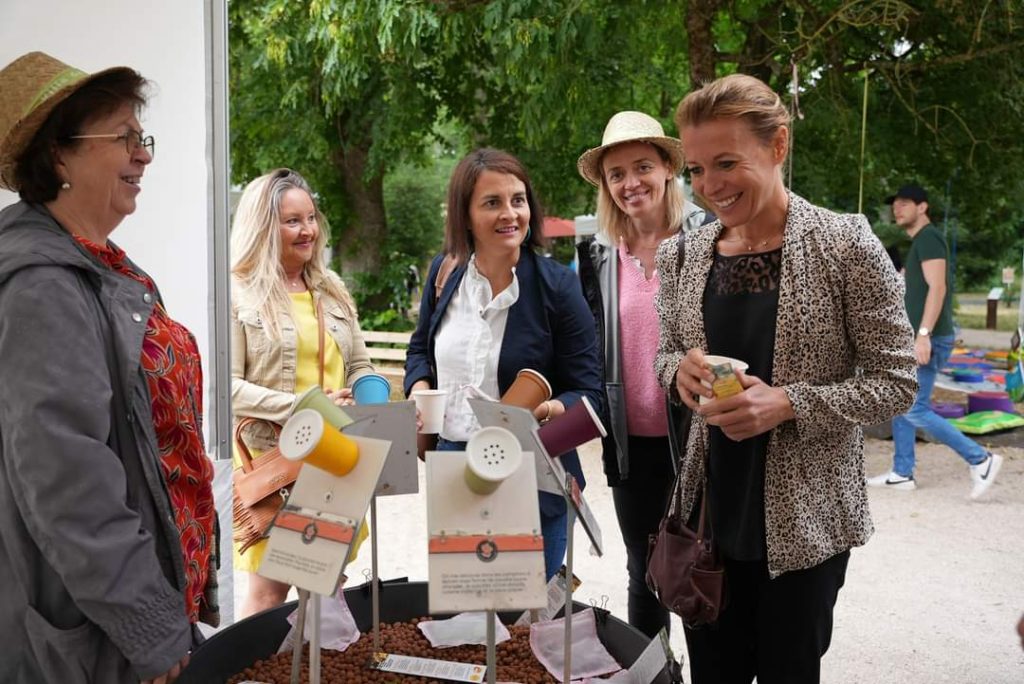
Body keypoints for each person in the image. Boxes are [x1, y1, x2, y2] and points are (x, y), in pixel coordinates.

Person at [657, 73, 917, 683]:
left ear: (777, 146)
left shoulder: (844, 243)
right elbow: (666, 354)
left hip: (806, 520)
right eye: (694, 170)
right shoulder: (683, 255)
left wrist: (789, 404)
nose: (709, 187)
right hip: (711, 510)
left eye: (726, 162)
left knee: (788, 671)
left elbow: (897, 381)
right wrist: (681, 373)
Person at [0, 51, 214, 683]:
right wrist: (151, 625)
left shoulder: (107, 268)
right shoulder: (43, 288)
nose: (143, 155)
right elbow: (69, 485)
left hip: (140, 608)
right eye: (124, 138)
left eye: (140, 137)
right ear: (60, 155)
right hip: (99, 634)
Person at [404, 148, 602, 580]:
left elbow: (591, 395)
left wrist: (541, 411)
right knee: (470, 620)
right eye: (492, 202)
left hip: (531, 469)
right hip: (456, 465)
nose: (510, 213)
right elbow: (420, 350)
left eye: (518, 199)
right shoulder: (445, 274)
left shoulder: (558, 287)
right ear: (465, 214)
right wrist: (419, 390)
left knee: (527, 628)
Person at [574, 110, 706, 638]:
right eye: (617, 174)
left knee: (700, 567)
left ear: (668, 169)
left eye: (642, 167)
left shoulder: (708, 237)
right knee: (644, 571)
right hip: (631, 443)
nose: (631, 183)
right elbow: (587, 343)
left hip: (699, 436)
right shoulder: (599, 254)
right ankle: (652, 673)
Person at [230, 168, 374, 617]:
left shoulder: (332, 289)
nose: (308, 229)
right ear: (263, 227)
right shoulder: (237, 295)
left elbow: (361, 366)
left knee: (325, 588)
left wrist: (369, 403)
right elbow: (226, 390)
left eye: (310, 217)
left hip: (334, 459)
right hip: (274, 465)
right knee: (270, 594)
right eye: (292, 221)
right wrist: (307, 407)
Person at [867, 184, 1003, 498]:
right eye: (895, 205)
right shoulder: (918, 244)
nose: (897, 209)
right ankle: (902, 473)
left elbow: (938, 288)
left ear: (922, 207)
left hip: (929, 338)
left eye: (904, 203)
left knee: (915, 408)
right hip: (917, 336)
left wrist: (923, 335)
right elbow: (922, 289)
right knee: (904, 402)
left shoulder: (929, 239)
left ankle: (980, 459)